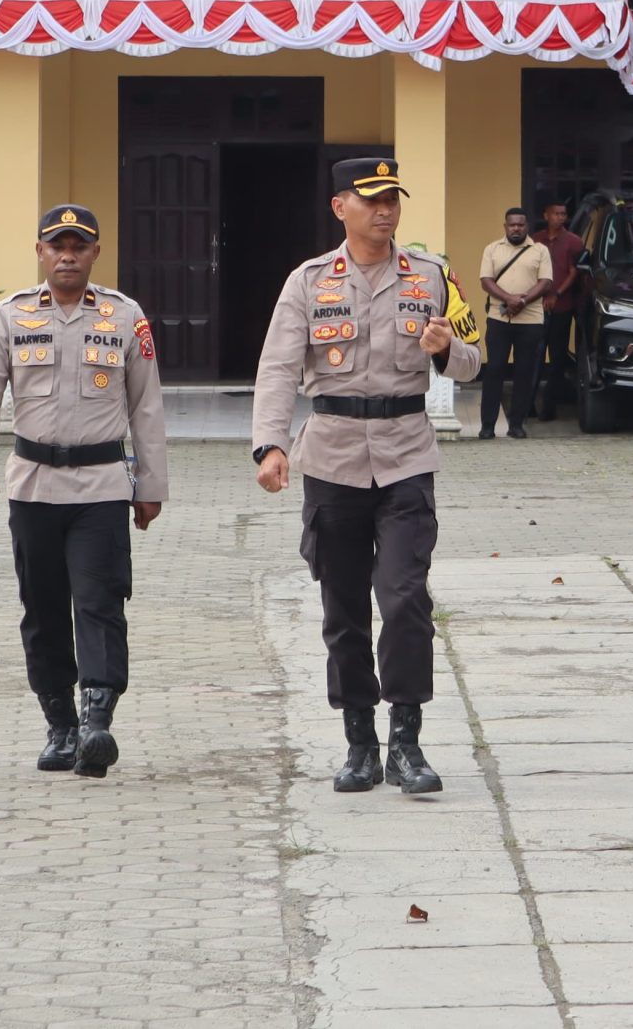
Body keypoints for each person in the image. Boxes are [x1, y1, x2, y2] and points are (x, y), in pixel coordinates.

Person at [252, 158, 482, 795]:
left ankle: (406, 741)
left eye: (393, 199)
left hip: (407, 453)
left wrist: (445, 350)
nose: (385, 210)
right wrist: (270, 445)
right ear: (340, 207)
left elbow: (472, 360)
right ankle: (360, 741)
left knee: (406, 599)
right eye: (372, 199)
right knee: (344, 606)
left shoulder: (433, 277)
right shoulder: (308, 282)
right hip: (331, 457)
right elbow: (276, 368)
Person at [0, 204, 168, 778]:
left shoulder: (125, 317)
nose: (67, 255)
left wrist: (149, 485)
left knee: (100, 604)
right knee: (43, 608)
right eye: (57, 245)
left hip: (101, 488)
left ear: (96, 252)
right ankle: (60, 725)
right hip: (34, 485)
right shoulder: (9, 316)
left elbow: (146, 405)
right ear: (41, 252)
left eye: (79, 245)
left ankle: (97, 719)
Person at [477, 208, 554, 440]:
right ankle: (488, 426)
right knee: (494, 370)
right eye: (512, 225)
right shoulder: (492, 249)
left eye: (521, 225)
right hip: (499, 318)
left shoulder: (539, 250)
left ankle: (517, 425)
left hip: (530, 320)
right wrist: (509, 299)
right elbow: (486, 281)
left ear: (527, 226)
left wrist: (522, 300)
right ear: (505, 227)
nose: (516, 229)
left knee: (524, 372)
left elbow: (546, 282)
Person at [532, 202, 584, 420]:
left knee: (557, 359)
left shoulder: (573, 241)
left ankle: (549, 407)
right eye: (555, 214)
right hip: (535, 307)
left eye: (563, 214)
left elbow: (575, 272)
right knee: (533, 357)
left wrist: (557, 294)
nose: (560, 218)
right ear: (546, 215)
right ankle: (528, 406)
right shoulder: (534, 240)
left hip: (562, 307)